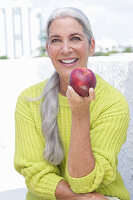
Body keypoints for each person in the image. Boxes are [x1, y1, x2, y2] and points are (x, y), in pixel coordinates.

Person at [14, 7, 130, 200]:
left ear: (91, 46)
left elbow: (83, 183)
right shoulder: (29, 100)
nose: (65, 48)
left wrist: (80, 114)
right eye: (56, 40)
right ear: (48, 49)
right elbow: (35, 174)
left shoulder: (112, 102)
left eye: (75, 38)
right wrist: (78, 198)